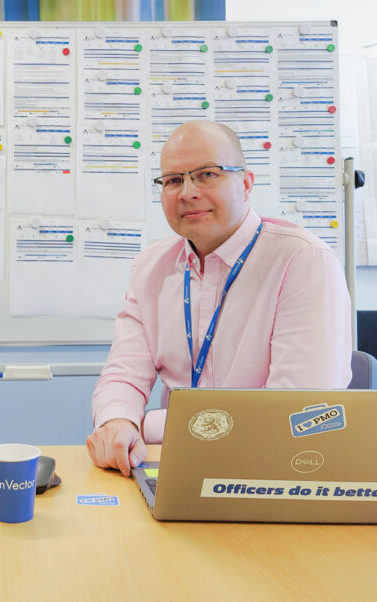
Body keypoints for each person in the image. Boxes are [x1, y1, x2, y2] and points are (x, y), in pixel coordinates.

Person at [87, 121, 351, 475]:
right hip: (180, 467)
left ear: (246, 183)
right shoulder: (150, 267)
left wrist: (146, 424)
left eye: (207, 174)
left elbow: (295, 413)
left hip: (276, 471)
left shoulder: (303, 261)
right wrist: (119, 421)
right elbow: (124, 372)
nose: (187, 193)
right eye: (173, 180)